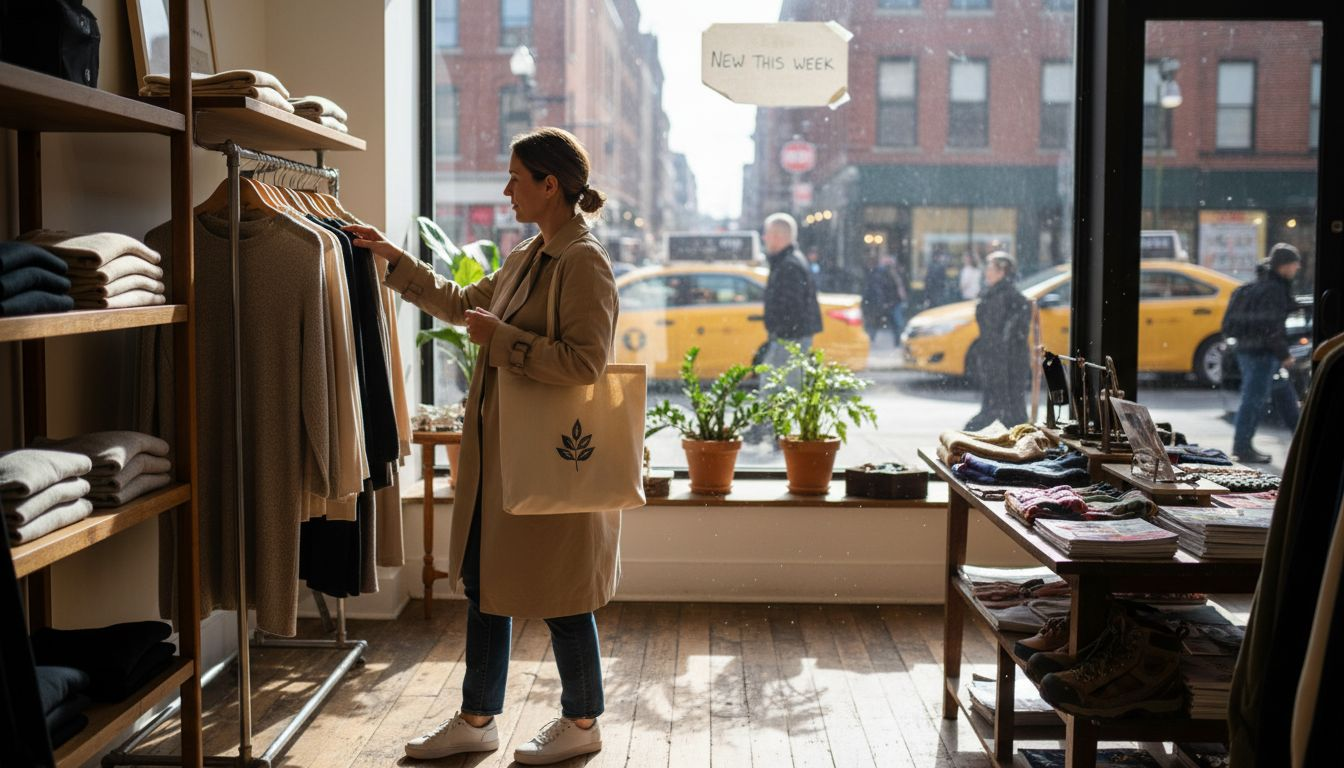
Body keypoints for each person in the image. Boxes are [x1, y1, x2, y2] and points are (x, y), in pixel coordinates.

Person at [345, 127, 617, 765]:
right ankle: (477, 717)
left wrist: (503, 341)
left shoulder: (583, 261)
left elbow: (588, 364)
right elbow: (463, 303)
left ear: (551, 186)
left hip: (550, 457)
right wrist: (392, 260)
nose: (506, 188)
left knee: (564, 594)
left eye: (517, 178)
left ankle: (582, 722)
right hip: (507, 455)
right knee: (484, 582)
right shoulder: (530, 255)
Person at [1226, 243, 1303, 464]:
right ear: (1284, 266)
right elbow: (1272, 327)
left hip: (1249, 350)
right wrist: (1284, 355)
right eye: (1294, 263)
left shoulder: (1264, 285)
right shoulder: (1274, 289)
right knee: (1253, 400)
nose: (1297, 268)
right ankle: (1242, 447)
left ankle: (1302, 441)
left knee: (1284, 394)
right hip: (1260, 354)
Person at [964, 251, 1032, 431]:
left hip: (1005, 366)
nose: (986, 272)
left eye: (990, 268)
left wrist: (998, 367)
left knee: (1007, 412)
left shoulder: (1011, 299)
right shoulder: (995, 294)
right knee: (1007, 413)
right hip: (997, 363)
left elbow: (1009, 338)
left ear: (1002, 272)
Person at [760, 213, 823, 377]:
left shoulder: (789, 265)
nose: (764, 238)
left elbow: (792, 307)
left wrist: (780, 331)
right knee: (779, 389)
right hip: (790, 338)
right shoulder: (788, 262)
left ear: (777, 236)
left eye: (767, 233)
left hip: (789, 340)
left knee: (776, 389)